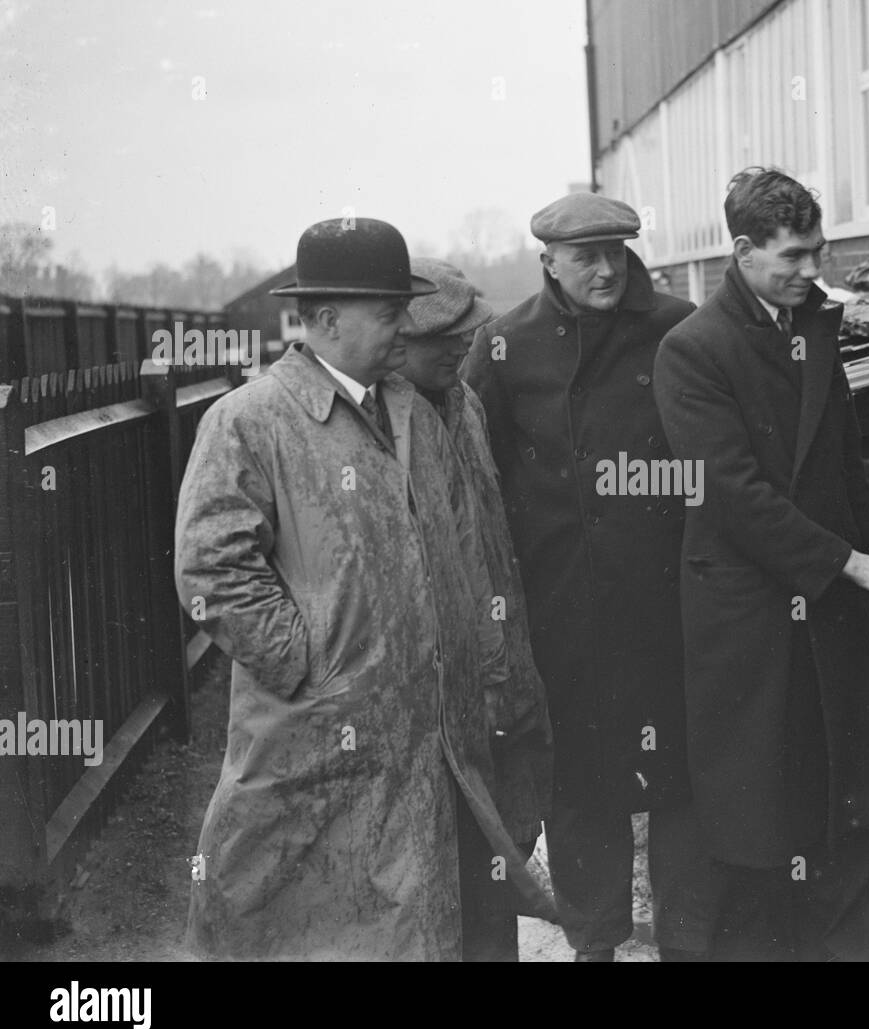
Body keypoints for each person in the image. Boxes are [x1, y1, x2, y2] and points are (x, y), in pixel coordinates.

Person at [176, 218, 540, 960]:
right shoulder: (250, 422)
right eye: (389, 311)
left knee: (420, 924)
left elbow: (461, 554)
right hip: (310, 750)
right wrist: (313, 664)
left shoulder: (413, 414)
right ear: (327, 319)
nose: (406, 326)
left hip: (427, 745)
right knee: (300, 926)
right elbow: (212, 570)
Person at [654, 167, 869, 961]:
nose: (812, 270)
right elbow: (732, 496)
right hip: (749, 619)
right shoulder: (693, 350)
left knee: (842, 807)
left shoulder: (813, 328)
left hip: (833, 601)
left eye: (819, 250)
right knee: (759, 820)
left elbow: (844, 466)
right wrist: (852, 566)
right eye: (794, 256)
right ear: (742, 250)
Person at [462, 193, 711, 961]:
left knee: (684, 782)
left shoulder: (677, 327)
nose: (605, 269)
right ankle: (595, 940)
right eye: (585, 257)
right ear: (549, 263)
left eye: (616, 250)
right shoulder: (505, 346)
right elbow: (479, 467)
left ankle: (690, 941)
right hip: (562, 602)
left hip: (668, 597)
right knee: (581, 783)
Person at [398, 258, 554, 962]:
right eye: (445, 334)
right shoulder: (385, 425)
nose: (463, 343)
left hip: (500, 670)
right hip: (437, 693)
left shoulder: (467, 402)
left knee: (500, 850)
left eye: (469, 329)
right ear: (398, 338)